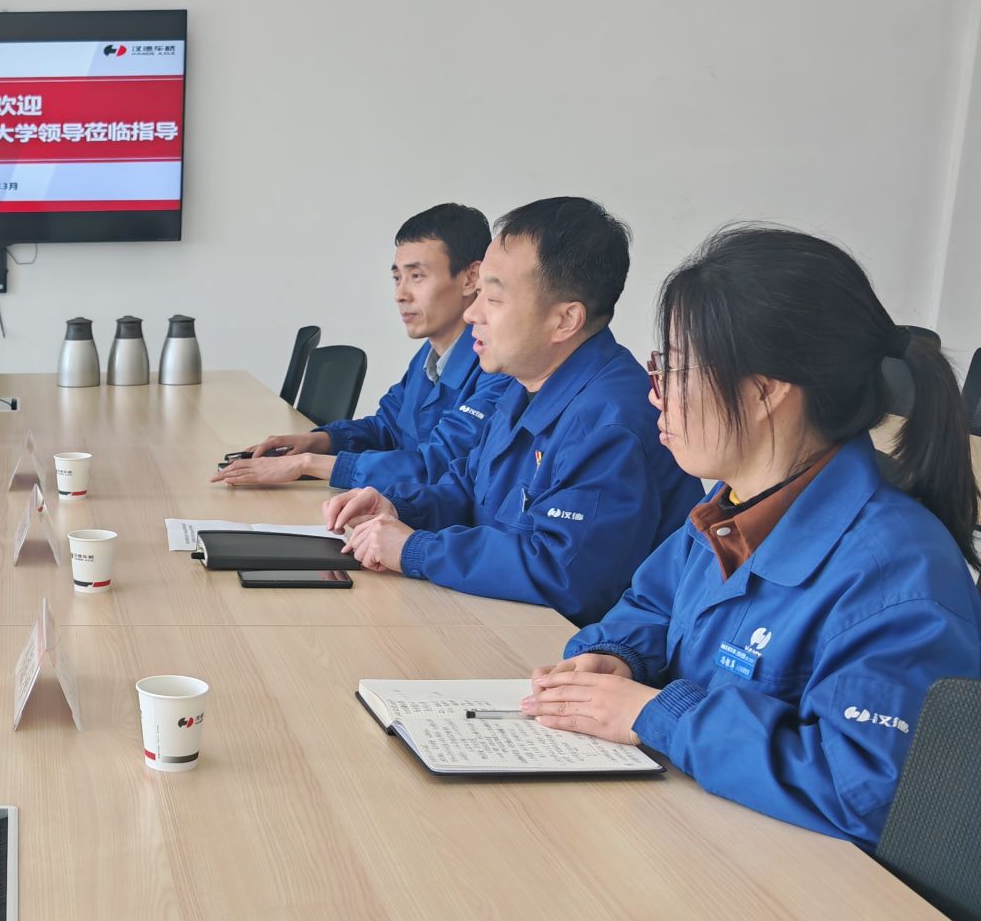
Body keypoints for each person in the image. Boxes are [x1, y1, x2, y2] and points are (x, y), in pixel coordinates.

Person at [525, 225, 981, 848]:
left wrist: (657, 714)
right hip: (700, 832)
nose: (655, 395)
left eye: (676, 369)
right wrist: (621, 655)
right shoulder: (731, 505)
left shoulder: (895, 574)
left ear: (767, 390)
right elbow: (654, 604)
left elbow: (866, 791)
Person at [324, 197, 703, 624]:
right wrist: (399, 510)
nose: (472, 313)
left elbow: (563, 573)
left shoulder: (609, 422)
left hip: (560, 647)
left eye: (493, 297)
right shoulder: (526, 385)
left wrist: (415, 549)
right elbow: (468, 485)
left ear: (565, 320)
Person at [216, 203, 507, 490]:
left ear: (470, 278)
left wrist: (307, 464)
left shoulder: (499, 368)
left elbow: (437, 466)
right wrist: (319, 441)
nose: (400, 294)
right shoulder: (429, 357)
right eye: (397, 278)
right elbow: (386, 428)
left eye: (417, 276)